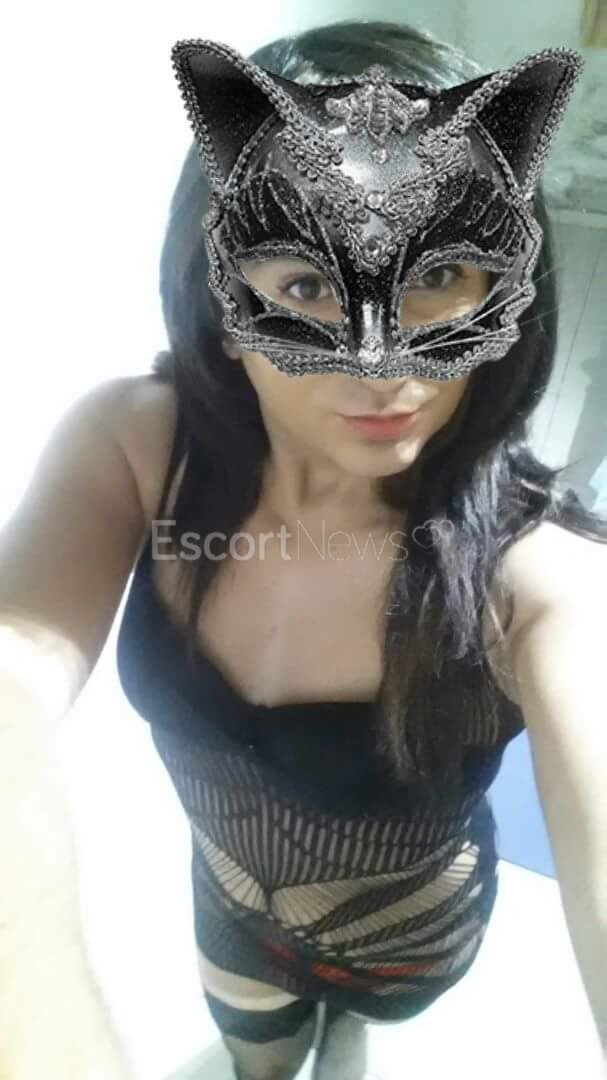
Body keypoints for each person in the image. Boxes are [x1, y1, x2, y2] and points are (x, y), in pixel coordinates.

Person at [1, 19, 606, 1080]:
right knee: (258, 1061)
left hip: (410, 938)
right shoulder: (136, 449)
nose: (382, 361)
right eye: (306, 286)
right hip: (227, 921)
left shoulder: (538, 579)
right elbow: (14, 659)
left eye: (440, 271)